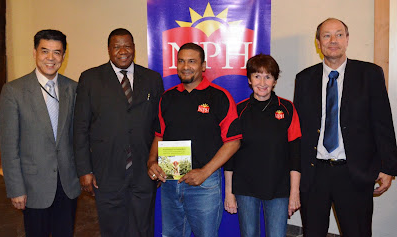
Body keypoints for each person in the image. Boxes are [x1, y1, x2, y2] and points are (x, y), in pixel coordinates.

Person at [294, 18, 397, 236]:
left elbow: (383, 123)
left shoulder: (370, 74)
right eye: (327, 35)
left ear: (347, 39)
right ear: (318, 42)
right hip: (314, 174)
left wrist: (389, 167)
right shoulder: (304, 79)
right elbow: (299, 130)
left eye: (339, 35)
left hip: (353, 173)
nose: (333, 41)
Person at [74, 28, 164, 237]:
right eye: (117, 46)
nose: (123, 51)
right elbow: (80, 127)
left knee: (143, 228)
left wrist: (163, 164)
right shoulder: (90, 79)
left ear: (134, 48)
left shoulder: (152, 78)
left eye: (127, 45)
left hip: (144, 171)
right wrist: (84, 170)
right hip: (106, 172)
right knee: (113, 229)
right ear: (108, 50)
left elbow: (160, 126)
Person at [147, 43, 242, 237]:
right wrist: (151, 161)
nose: (185, 66)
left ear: (203, 66)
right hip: (170, 181)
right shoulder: (167, 98)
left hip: (204, 184)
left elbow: (233, 142)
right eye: (181, 61)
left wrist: (204, 173)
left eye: (192, 61)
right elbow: (159, 135)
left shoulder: (219, 97)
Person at [0, 29, 80, 237]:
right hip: (33, 187)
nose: (50, 58)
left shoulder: (74, 89)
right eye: (45, 51)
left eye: (57, 52)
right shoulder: (13, 91)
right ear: (34, 53)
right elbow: (9, 146)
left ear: (64, 55)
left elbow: (78, 136)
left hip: (67, 185)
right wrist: (16, 188)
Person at [223, 54, 302, 237]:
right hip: (246, 188)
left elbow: (295, 153)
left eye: (268, 76)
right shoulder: (239, 110)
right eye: (257, 76)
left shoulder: (287, 109)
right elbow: (230, 155)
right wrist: (229, 192)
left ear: (274, 81)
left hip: (278, 188)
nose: (262, 82)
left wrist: (294, 192)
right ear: (249, 80)